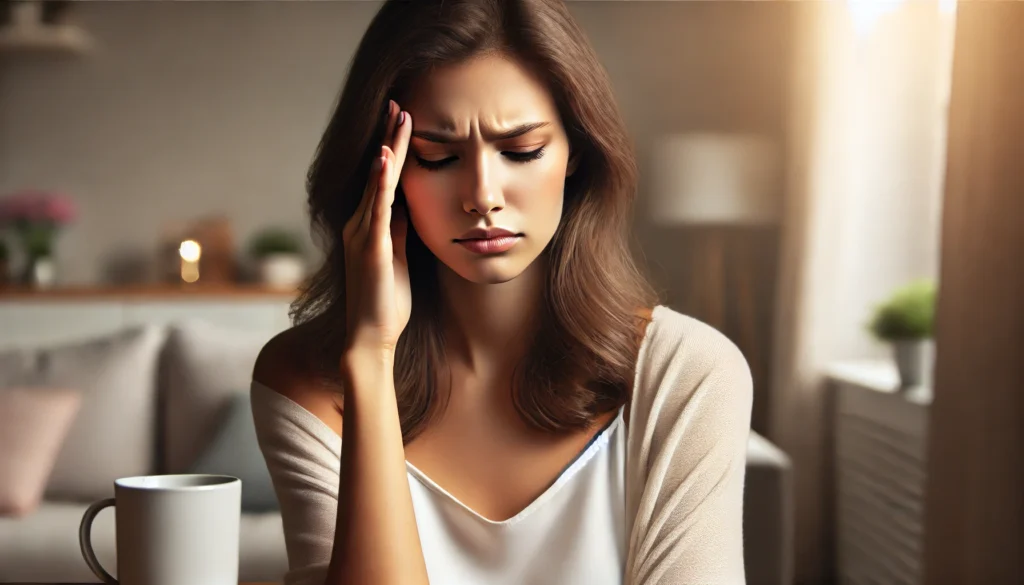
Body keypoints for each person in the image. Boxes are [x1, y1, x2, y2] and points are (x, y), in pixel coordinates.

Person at [251, 0, 753, 583]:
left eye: (521, 151)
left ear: (576, 153)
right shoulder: (305, 384)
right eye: (437, 157)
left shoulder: (687, 376)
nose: (482, 195)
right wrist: (369, 360)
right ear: (379, 175)